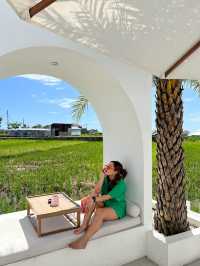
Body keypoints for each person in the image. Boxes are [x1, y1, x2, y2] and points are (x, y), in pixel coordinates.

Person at [68, 160, 127, 249]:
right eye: (106, 165)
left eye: (109, 167)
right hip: (106, 204)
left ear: (116, 171)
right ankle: (84, 225)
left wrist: (93, 199)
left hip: (117, 208)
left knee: (99, 212)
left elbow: (107, 197)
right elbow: (96, 190)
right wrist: (102, 176)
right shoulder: (106, 178)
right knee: (93, 196)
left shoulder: (121, 184)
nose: (106, 168)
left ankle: (83, 241)